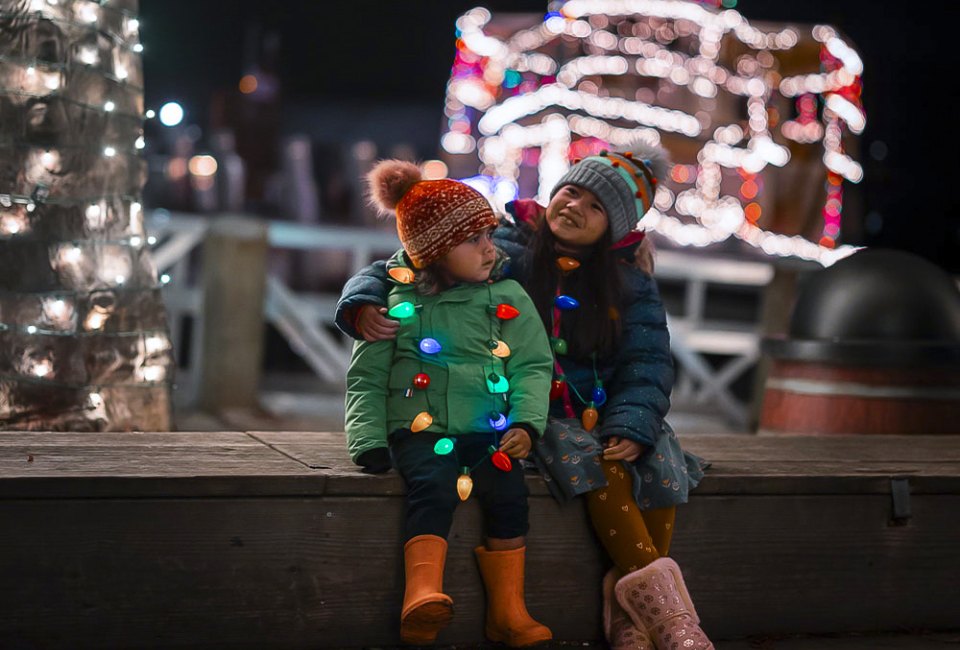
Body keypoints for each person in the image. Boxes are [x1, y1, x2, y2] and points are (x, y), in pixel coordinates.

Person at [339, 144, 714, 650]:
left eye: (596, 206)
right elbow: (403, 264)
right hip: (544, 409)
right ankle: (663, 618)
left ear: (617, 225)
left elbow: (648, 359)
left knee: (660, 466)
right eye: (571, 191)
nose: (575, 206)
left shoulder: (629, 281)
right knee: (599, 470)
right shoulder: (510, 249)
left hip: (605, 407)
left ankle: (634, 614)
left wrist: (633, 419)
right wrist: (361, 302)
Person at [344, 159, 555, 647]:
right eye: (472, 240)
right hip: (419, 427)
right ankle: (420, 594)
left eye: (489, 234)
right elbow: (367, 377)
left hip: (488, 427)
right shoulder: (393, 304)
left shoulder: (506, 295)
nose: (489, 247)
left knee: (508, 494)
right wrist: (368, 440)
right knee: (432, 487)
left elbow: (531, 363)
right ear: (435, 252)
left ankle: (508, 611)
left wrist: (526, 421)